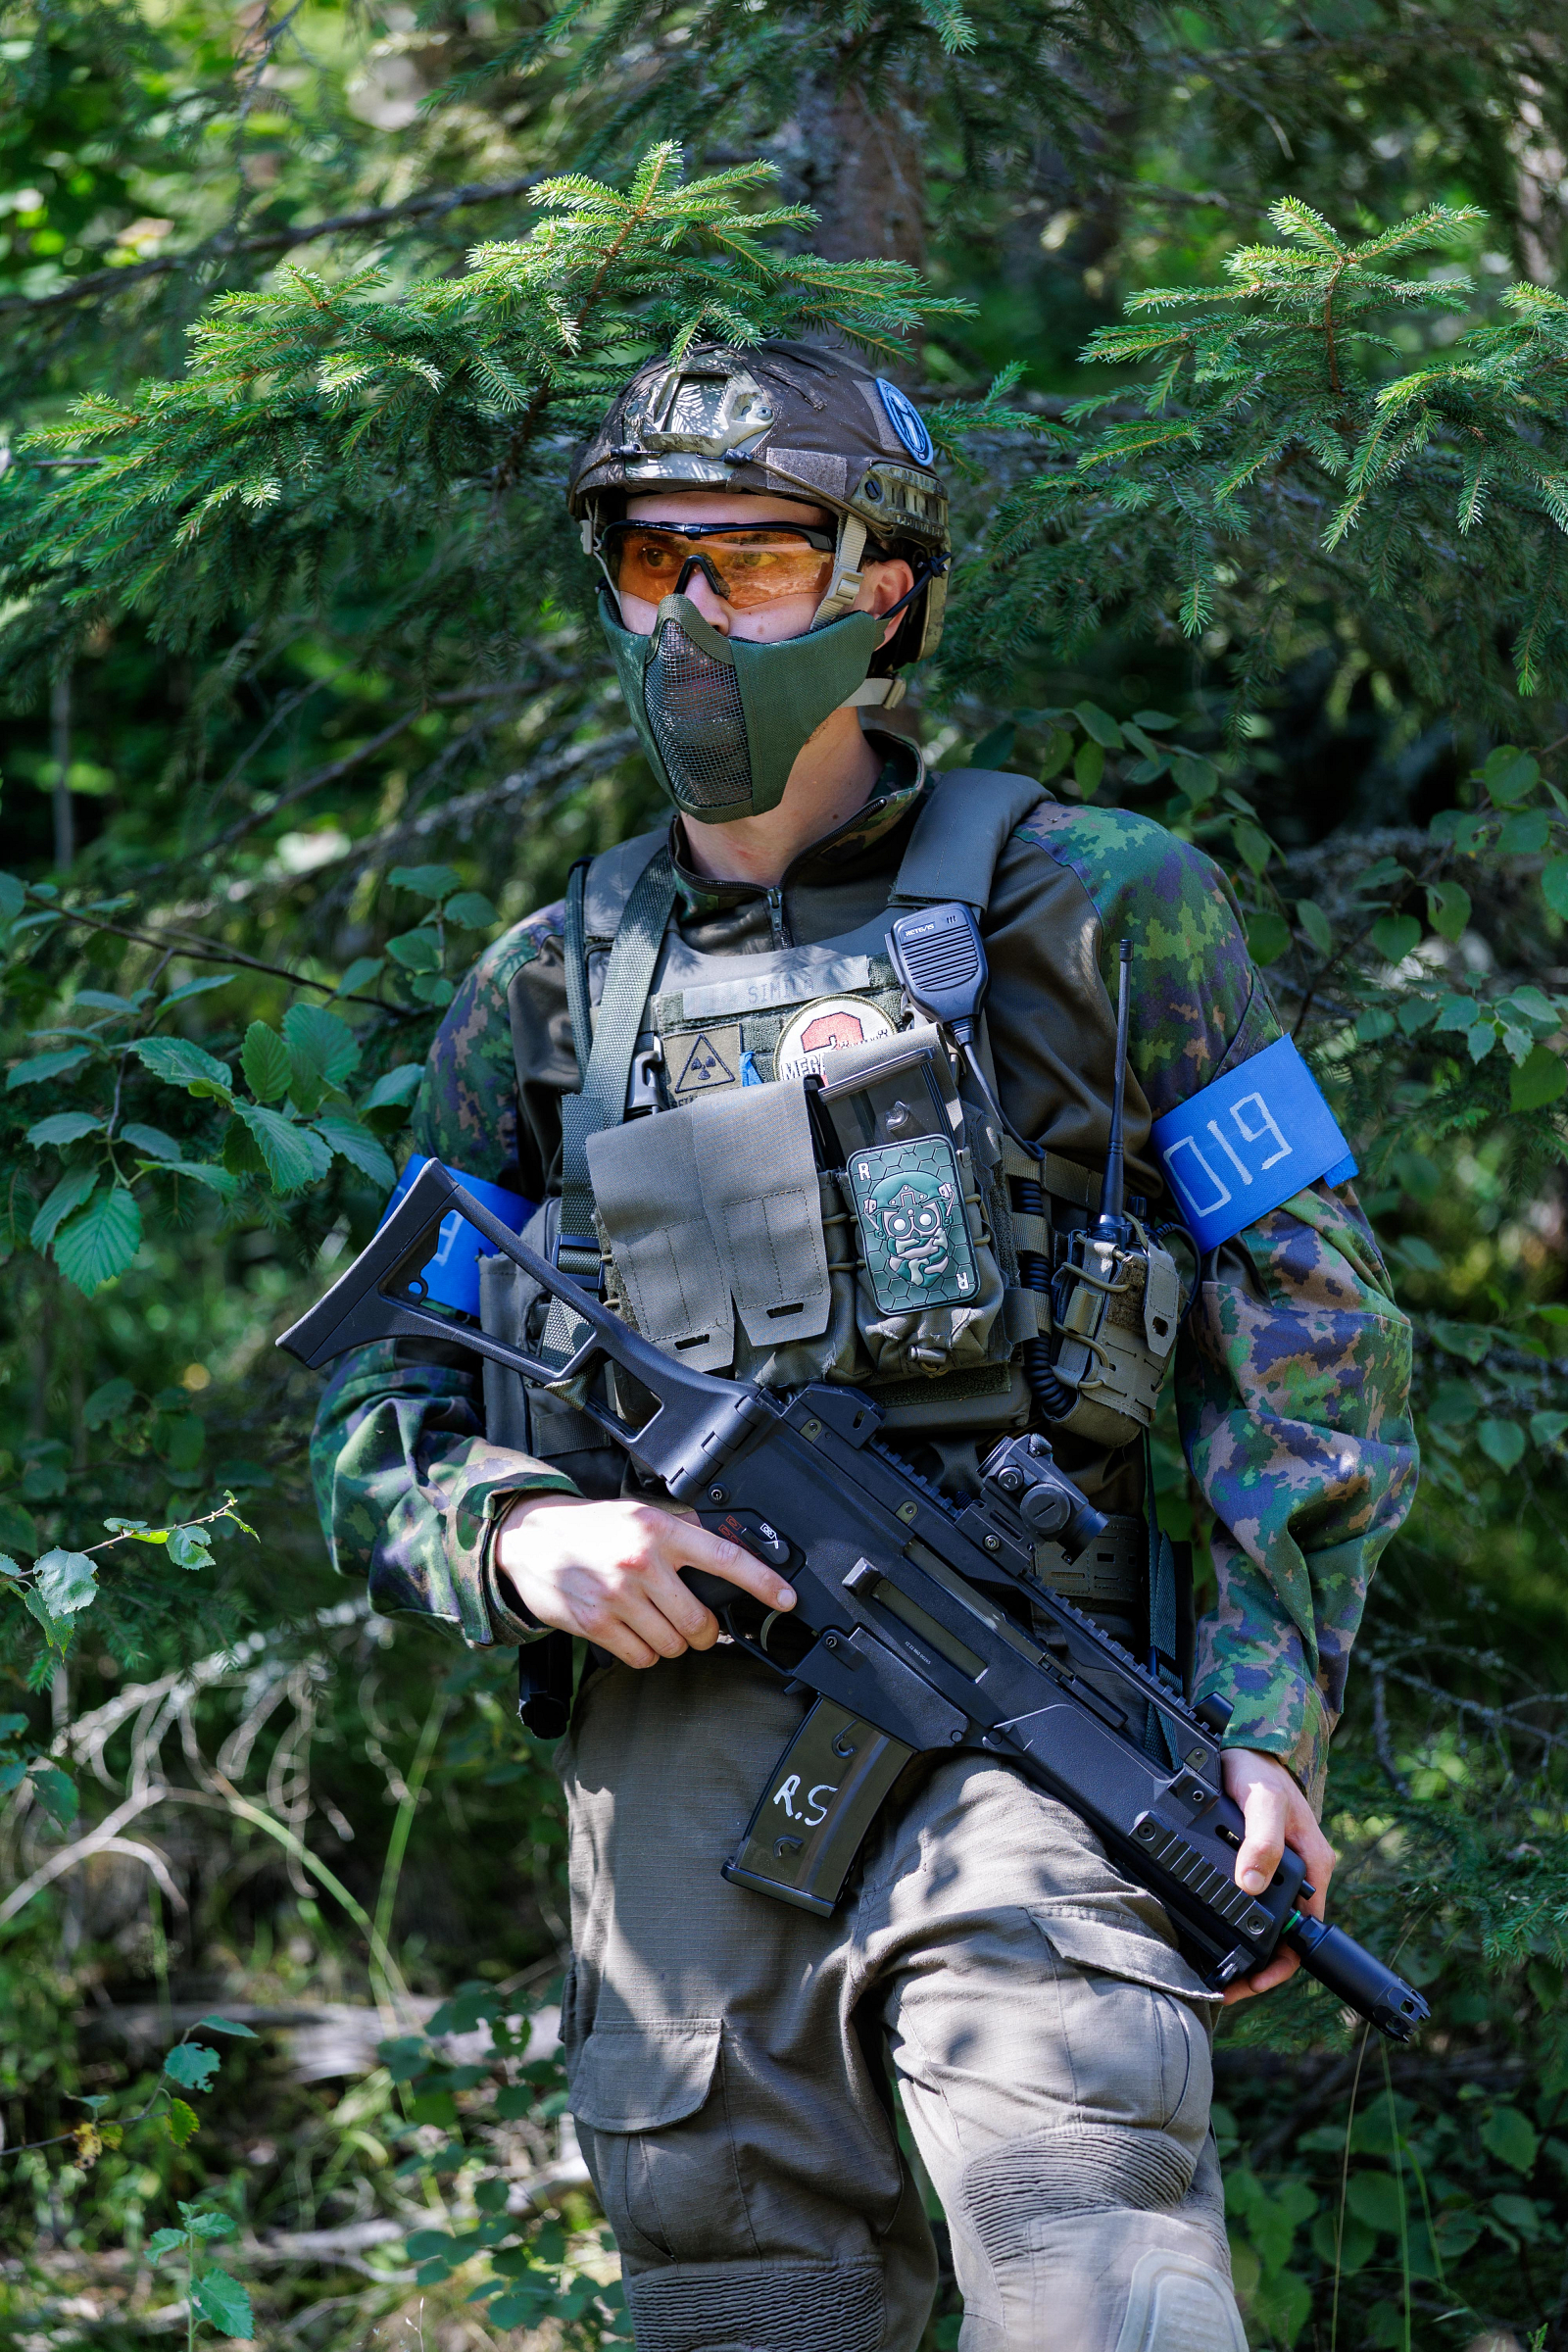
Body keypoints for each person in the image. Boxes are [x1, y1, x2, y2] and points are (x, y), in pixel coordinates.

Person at [312, 338, 1418, 2352]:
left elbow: (1312, 1318)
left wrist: (1266, 1718)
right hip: (676, 1760)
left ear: (881, 587)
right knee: (740, 2292)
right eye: (650, 562)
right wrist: (519, 1536)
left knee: (1093, 2240)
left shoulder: (1102, 907)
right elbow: (380, 1398)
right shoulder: (548, 989)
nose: (692, 616)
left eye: (750, 560)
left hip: (1026, 1706)